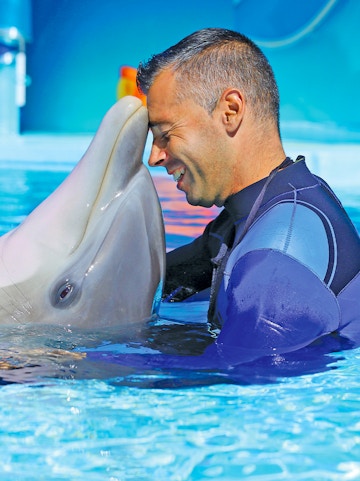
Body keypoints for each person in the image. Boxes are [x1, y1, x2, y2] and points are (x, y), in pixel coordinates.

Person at [136, 28, 360, 364]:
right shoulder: (255, 210)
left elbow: (241, 390)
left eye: (165, 134)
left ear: (230, 110)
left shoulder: (275, 263)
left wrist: (67, 366)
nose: (154, 157)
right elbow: (152, 281)